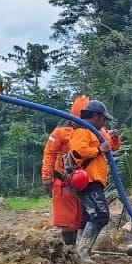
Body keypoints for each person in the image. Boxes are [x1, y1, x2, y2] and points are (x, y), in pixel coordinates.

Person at [69, 100, 121, 264]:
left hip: (95, 180)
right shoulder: (82, 130)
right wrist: (99, 149)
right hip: (87, 180)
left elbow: (111, 147)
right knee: (100, 215)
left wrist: (114, 139)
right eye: (103, 118)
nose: (104, 122)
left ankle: (82, 250)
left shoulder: (97, 132)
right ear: (96, 116)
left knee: (88, 216)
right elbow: (78, 152)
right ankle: (83, 251)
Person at [43, 96, 89, 247]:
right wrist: (46, 176)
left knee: (80, 218)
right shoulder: (60, 132)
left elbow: (110, 145)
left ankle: (76, 248)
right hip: (64, 181)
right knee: (67, 219)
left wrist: (114, 139)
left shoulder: (94, 131)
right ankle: (69, 249)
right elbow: (49, 153)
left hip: (85, 182)